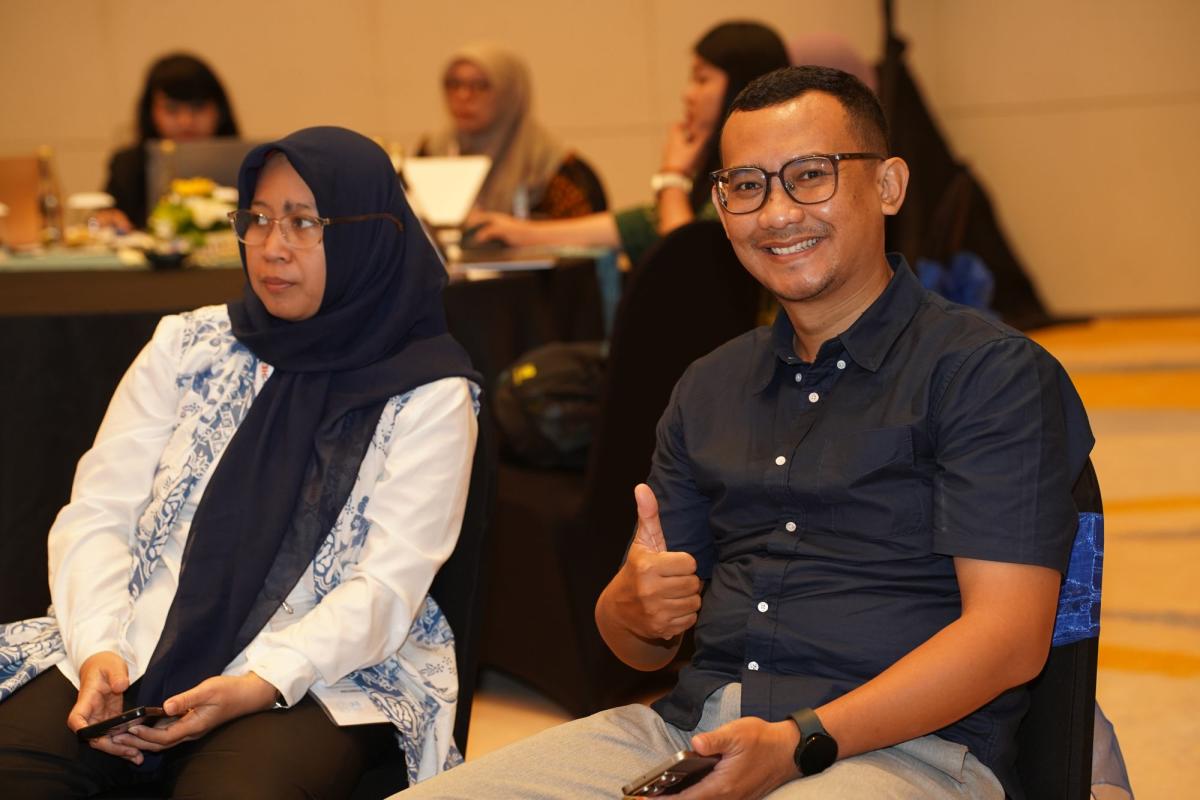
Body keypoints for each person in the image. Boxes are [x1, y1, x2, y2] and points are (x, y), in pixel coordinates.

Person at [397, 66, 1094, 800]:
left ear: (889, 185)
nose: (776, 213)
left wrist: (800, 742)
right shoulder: (711, 385)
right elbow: (639, 646)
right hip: (692, 736)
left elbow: (1009, 640)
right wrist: (631, 606)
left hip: (906, 751)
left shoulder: (986, 373)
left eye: (810, 176)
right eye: (746, 186)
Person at [0, 127, 479, 797]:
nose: (272, 246)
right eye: (257, 218)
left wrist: (261, 681)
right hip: (136, 635)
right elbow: (97, 513)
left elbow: (387, 586)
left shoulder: (428, 391)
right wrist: (99, 648)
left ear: (368, 234)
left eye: (304, 223)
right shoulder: (189, 345)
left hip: (325, 669)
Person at [465, 21, 789, 267]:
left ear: (742, 84)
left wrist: (672, 177)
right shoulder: (713, 170)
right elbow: (637, 225)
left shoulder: (760, 174)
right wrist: (519, 232)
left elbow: (688, 264)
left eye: (702, 79)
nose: (687, 94)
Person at [418, 44, 607, 219]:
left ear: (509, 94)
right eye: (454, 84)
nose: (463, 95)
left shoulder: (553, 169)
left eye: (480, 86)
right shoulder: (430, 156)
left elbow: (588, 239)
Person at [103, 53, 239, 230]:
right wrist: (108, 218)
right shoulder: (127, 166)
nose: (186, 121)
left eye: (198, 107)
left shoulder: (248, 165)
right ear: (150, 113)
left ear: (220, 111)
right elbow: (106, 216)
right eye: (171, 109)